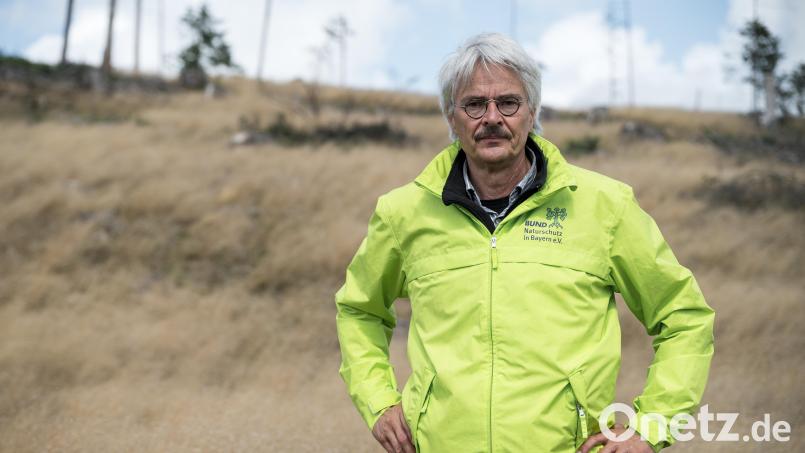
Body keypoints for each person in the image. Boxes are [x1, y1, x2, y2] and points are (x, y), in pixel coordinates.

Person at [335, 33, 714, 453]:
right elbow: (359, 310)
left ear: (532, 112)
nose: (492, 118)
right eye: (474, 104)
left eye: (508, 103)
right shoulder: (402, 212)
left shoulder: (606, 206)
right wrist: (379, 401)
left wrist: (650, 427)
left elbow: (683, 317)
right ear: (451, 116)